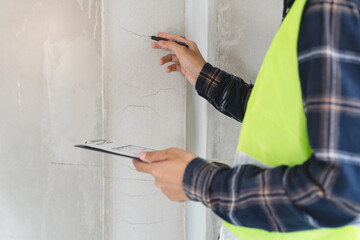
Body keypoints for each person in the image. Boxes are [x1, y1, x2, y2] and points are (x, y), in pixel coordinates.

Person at [133, 0, 360, 239]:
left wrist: (198, 181)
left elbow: (340, 191)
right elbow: (285, 111)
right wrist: (205, 76)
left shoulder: (331, 8)